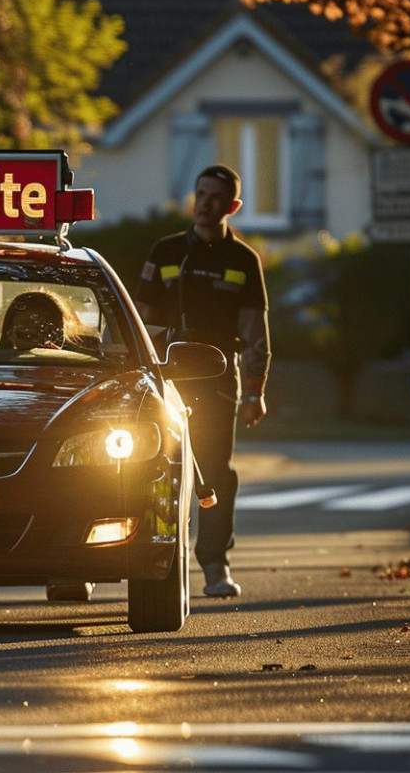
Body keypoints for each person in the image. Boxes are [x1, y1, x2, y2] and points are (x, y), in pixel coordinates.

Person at [133, 164, 270, 598]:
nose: (205, 204)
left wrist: (255, 392)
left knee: (214, 472)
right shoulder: (167, 251)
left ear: (231, 206)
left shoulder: (243, 261)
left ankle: (214, 564)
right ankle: (143, 562)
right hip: (166, 379)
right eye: (200, 194)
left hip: (217, 379)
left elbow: (254, 333)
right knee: (147, 466)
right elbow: (140, 318)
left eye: (215, 198)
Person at [0, 290, 93, 353]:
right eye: (27, 333)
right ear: (10, 335)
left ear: (63, 333)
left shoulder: (78, 368)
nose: (37, 342)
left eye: (50, 333)